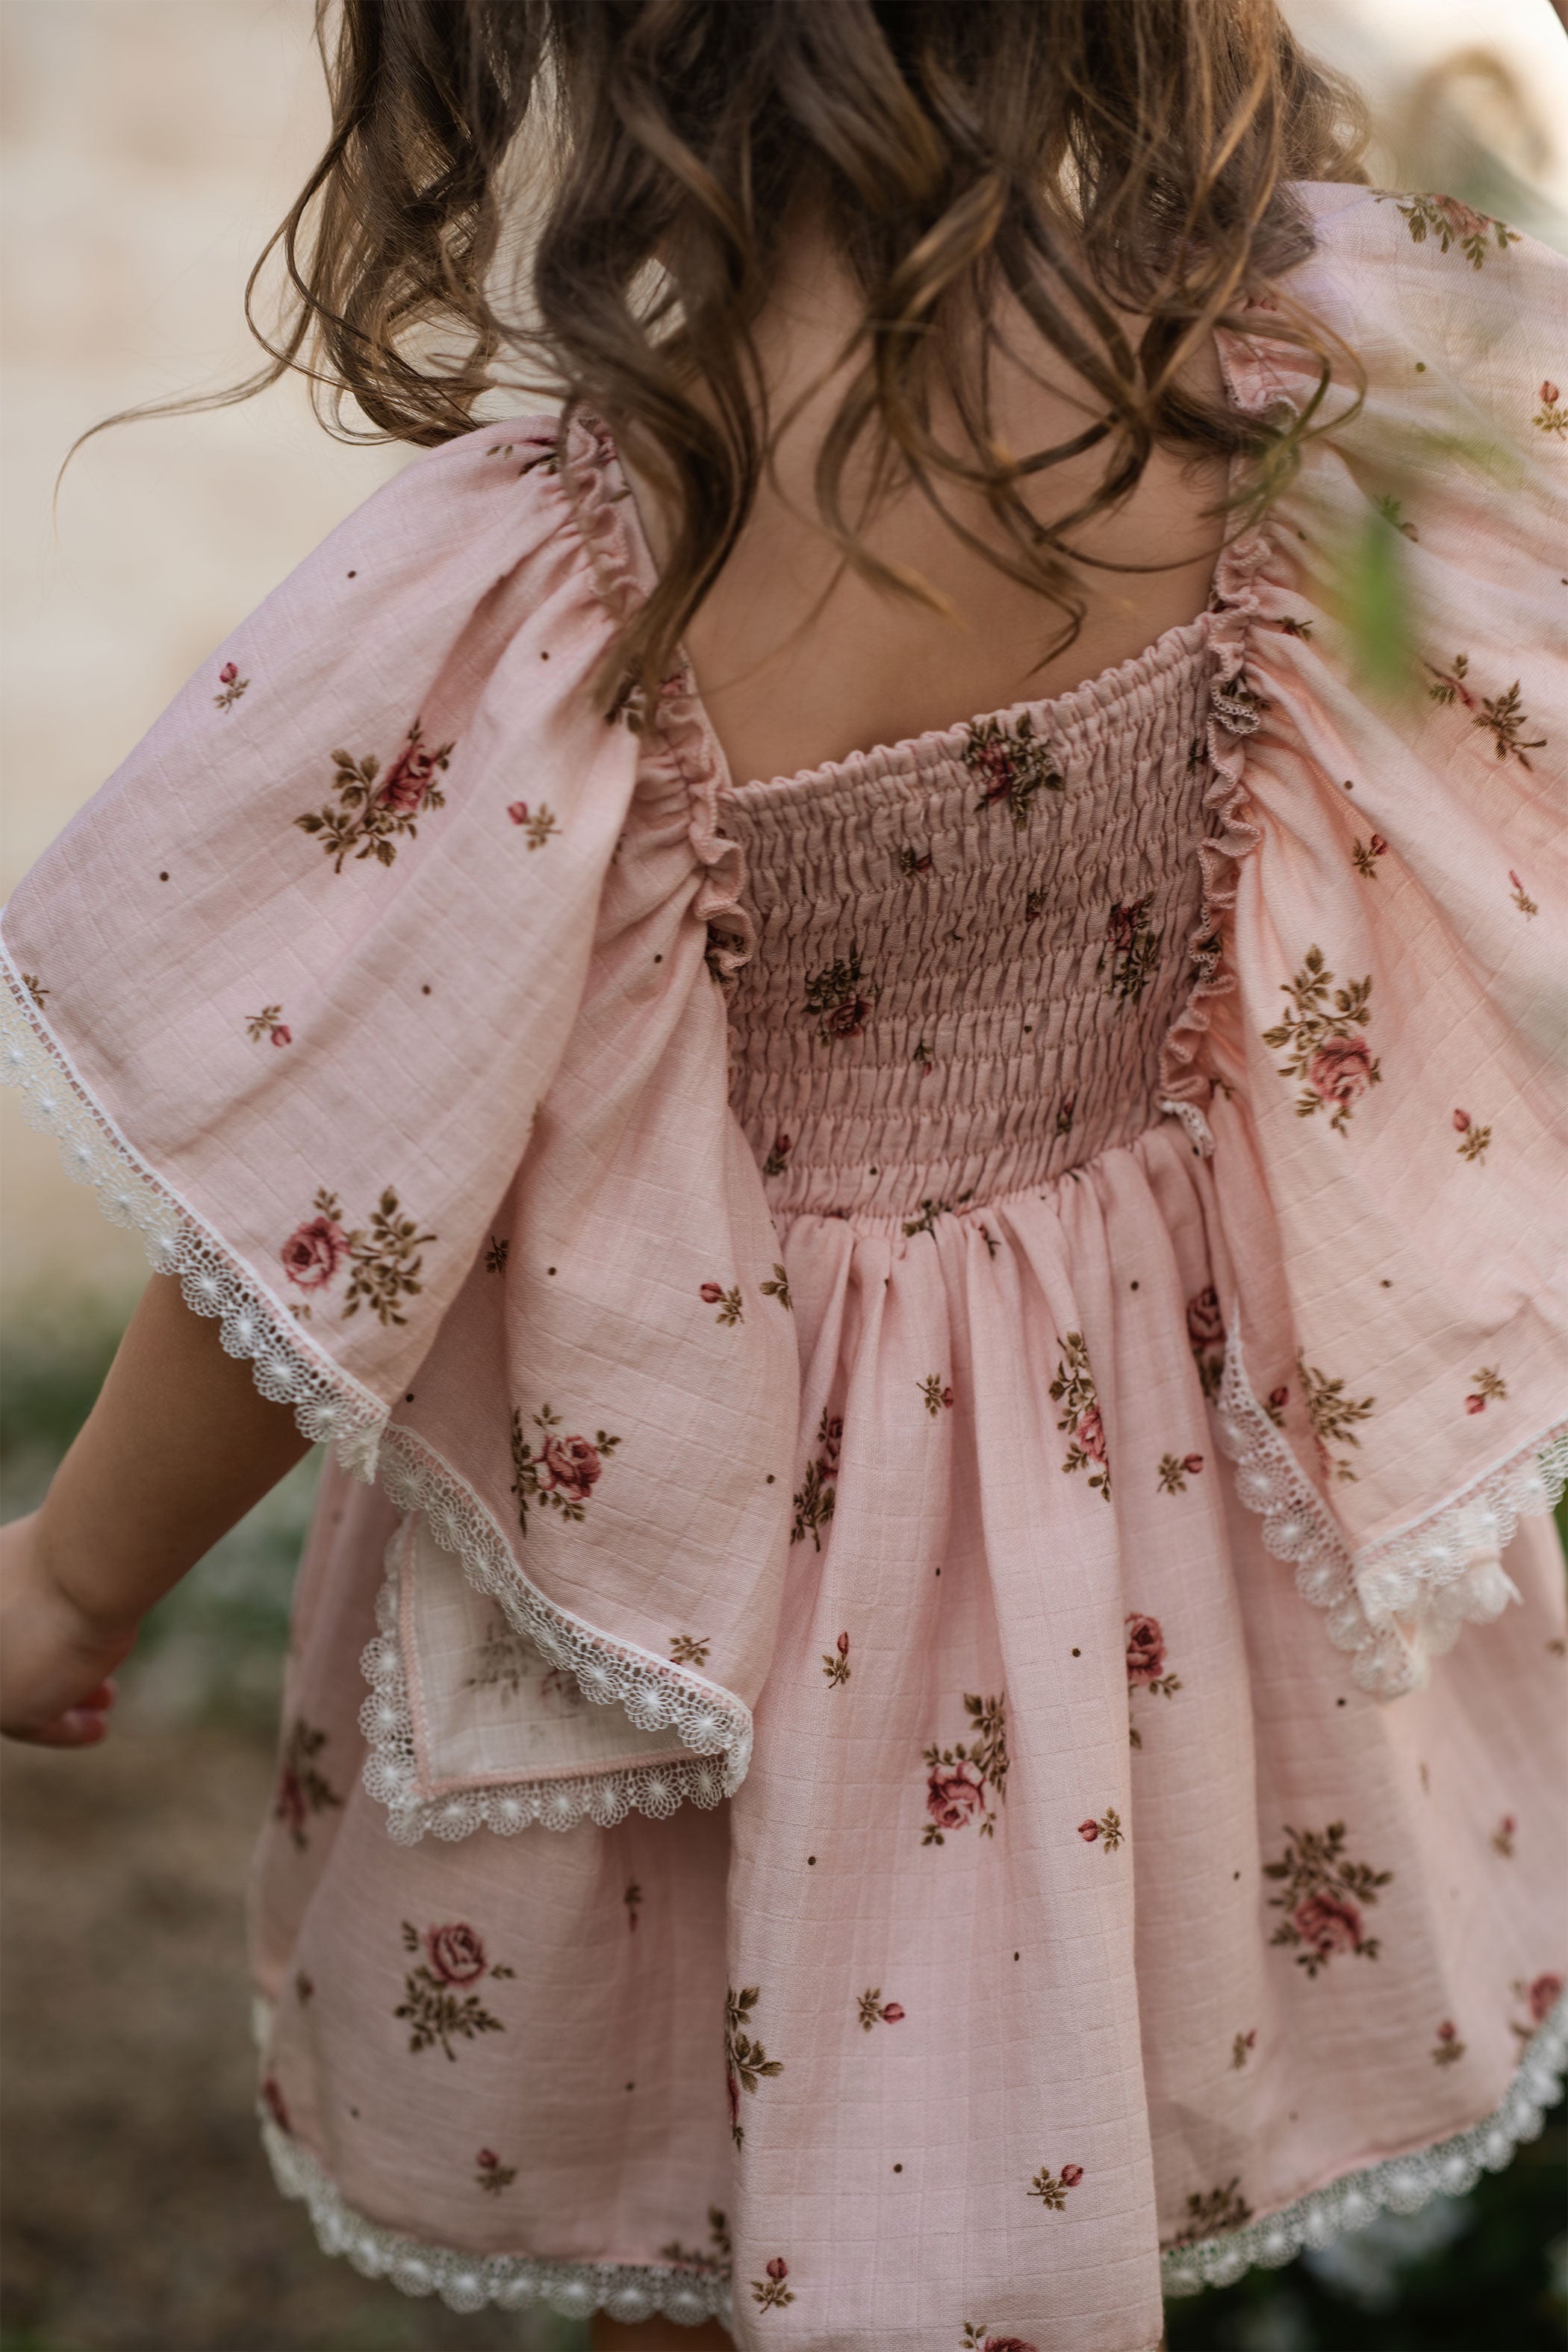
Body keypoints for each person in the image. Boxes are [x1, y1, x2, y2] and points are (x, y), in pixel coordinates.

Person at [1, 4, 1564, 2347]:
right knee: (1062, 2099)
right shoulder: (1281, 397)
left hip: (696, 1554)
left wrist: (74, 1576)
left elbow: (348, 1212)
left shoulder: (573, 580)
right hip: (1132, 1527)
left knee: (684, 2185)